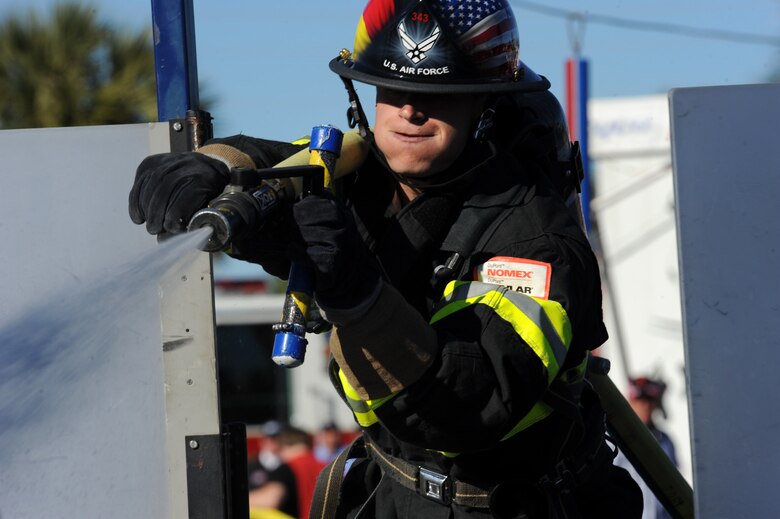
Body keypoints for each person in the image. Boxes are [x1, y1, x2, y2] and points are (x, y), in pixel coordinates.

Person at [128, 1, 642, 516]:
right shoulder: (370, 181)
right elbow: (280, 165)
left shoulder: (537, 241)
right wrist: (212, 167)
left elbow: (468, 407)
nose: (409, 110)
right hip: (392, 496)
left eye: (437, 95)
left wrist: (358, 295)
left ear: (484, 105)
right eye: (392, 90)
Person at [615, 377, 677, 519]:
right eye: (640, 400)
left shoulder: (666, 441)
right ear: (630, 402)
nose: (645, 406)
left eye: (649, 400)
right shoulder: (616, 440)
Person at [249, 426, 327, 519]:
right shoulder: (327, 466)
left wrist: (236, 499)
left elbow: (270, 500)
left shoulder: (288, 468)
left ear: (282, 445)